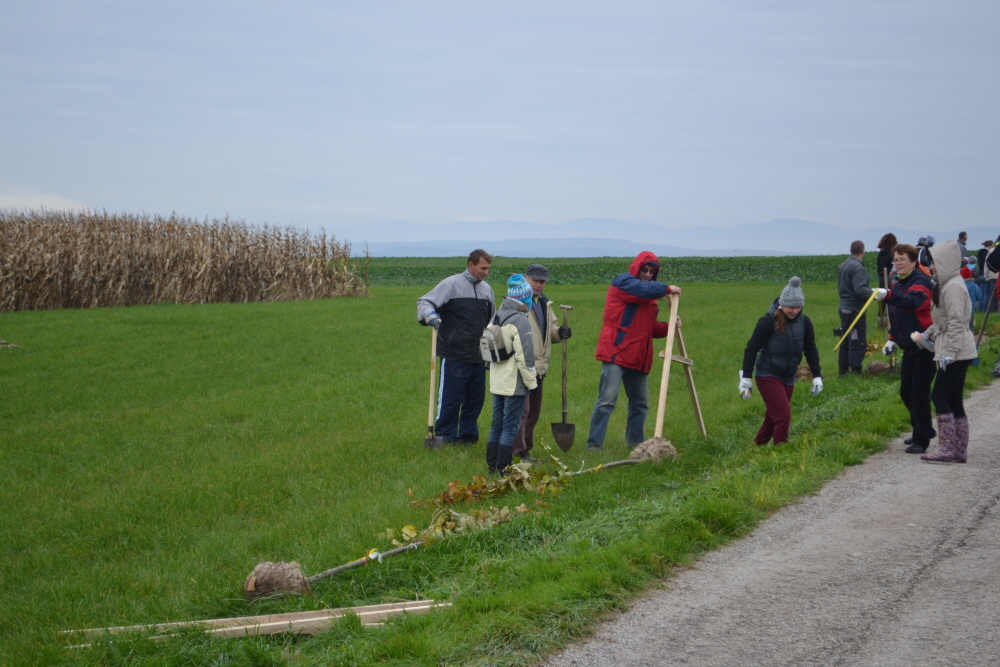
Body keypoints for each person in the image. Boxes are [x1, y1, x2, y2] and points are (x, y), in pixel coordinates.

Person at [586, 251, 681, 451]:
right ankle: (594, 446)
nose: (648, 274)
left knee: (640, 404)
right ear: (636, 268)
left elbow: (649, 328)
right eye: (644, 270)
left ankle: (636, 444)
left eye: (652, 272)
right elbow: (644, 289)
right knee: (606, 401)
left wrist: (669, 326)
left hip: (638, 356)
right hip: (616, 352)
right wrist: (667, 289)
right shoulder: (624, 283)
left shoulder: (649, 296)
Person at [417, 249, 495, 445]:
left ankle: (468, 438)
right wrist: (430, 315)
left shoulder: (487, 290)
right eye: (482, 268)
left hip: (479, 356)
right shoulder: (451, 284)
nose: (486, 272)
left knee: (475, 401)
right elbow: (425, 301)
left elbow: (492, 321)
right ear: (471, 265)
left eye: (488, 269)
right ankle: (444, 437)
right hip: (454, 355)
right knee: (450, 400)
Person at [739, 277, 823, 446]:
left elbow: (810, 349)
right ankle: (781, 452)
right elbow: (751, 348)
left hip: (788, 376)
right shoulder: (768, 321)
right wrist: (746, 378)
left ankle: (758, 446)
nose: (795, 311)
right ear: (782, 304)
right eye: (791, 307)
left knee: (774, 416)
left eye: (798, 307)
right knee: (783, 416)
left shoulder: (805, 322)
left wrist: (817, 375)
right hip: (767, 374)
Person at [916, 240, 978, 463]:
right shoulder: (948, 283)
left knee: (938, 395)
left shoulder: (952, 287)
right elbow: (943, 321)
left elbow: (956, 322)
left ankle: (947, 448)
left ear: (947, 262)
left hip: (957, 351)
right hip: (958, 349)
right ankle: (958, 450)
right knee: (954, 399)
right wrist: (928, 333)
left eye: (935, 262)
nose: (932, 266)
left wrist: (949, 352)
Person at [872, 244, 936, 453]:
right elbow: (898, 315)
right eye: (895, 260)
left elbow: (913, 303)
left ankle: (921, 439)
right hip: (909, 346)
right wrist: (892, 338)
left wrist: (888, 295)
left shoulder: (921, 281)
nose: (898, 263)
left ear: (913, 262)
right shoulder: (897, 282)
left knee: (919, 393)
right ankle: (923, 428)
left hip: (926, 345)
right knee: (906, 392)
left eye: (902, 259)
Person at [512, 264, 571, 463]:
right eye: (535, 280)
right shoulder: (518, 303)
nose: (538, 285)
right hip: (522, 366)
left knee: (533, 412)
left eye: (542, 281)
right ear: (526, 278)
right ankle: (517, 452)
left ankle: (525, 450)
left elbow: (549, 331)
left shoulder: (544, 303)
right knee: (522, 412)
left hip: (539, 367)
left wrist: (559, 333)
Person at [486, 274, 538, 474]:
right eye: (529, 298)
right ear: (523, 298)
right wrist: (532, 384)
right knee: (510, 427)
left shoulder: (497, 316)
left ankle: (492, 466)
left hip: (497, 381)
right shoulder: (520, 321)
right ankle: (503, 467)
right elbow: (525, 357)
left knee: (496, 425)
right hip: (514, 382)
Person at [837, 240, 871, 376]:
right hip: (854, 310)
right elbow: (860, 290)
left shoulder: (843, 265)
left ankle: (843, 370)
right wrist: (876, 294)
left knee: (846, 339)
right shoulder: (858, 268)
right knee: (856, 340)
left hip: (844, 308)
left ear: (851, 250)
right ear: (863, 251)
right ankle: (856, 370)